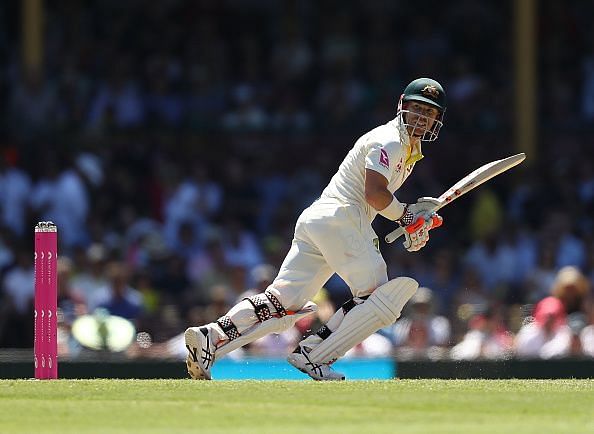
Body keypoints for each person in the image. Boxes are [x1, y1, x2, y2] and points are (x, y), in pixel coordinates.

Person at [185, 78, 447, 380]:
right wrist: (406, 216)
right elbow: (374, 193)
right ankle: (315, 354)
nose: (421, 117)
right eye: (416, 109)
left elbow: (381, 200)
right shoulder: (389, 139)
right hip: (341, 218)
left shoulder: (408, 150)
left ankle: (211, 336)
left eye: (429, 113)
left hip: (323, 219)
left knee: (282, 305)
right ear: (402, 105)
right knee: (380, 298)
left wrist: (412, 219)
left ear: (436, 120)